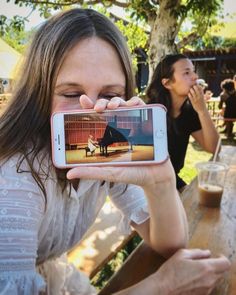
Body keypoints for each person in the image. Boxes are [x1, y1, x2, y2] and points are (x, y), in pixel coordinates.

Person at [0, 9, 229, 295]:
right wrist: (162, 286)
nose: (94, 111)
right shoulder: (15, 174)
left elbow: (169, 243)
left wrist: (161, 184)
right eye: (71, 94)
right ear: (38, 93)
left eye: (110, 95)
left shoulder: (107, 149)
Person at [146, 54, 220, 191]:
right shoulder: (150, 114)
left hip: (171, 179)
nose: (195, 77)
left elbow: (214, 148)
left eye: (193, 71)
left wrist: (202, 110)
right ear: (167, 83)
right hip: (147, 184)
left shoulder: (188, 112)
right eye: (187, 73)